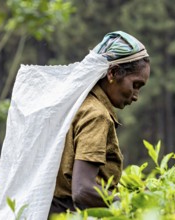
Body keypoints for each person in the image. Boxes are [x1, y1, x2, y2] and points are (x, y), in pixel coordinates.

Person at [49, 31, 150, 215]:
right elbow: (83, 190)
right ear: (112, 73)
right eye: (135, 85)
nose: (136, 96)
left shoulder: (78, 104)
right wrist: (135, 203)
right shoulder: (97, 115)